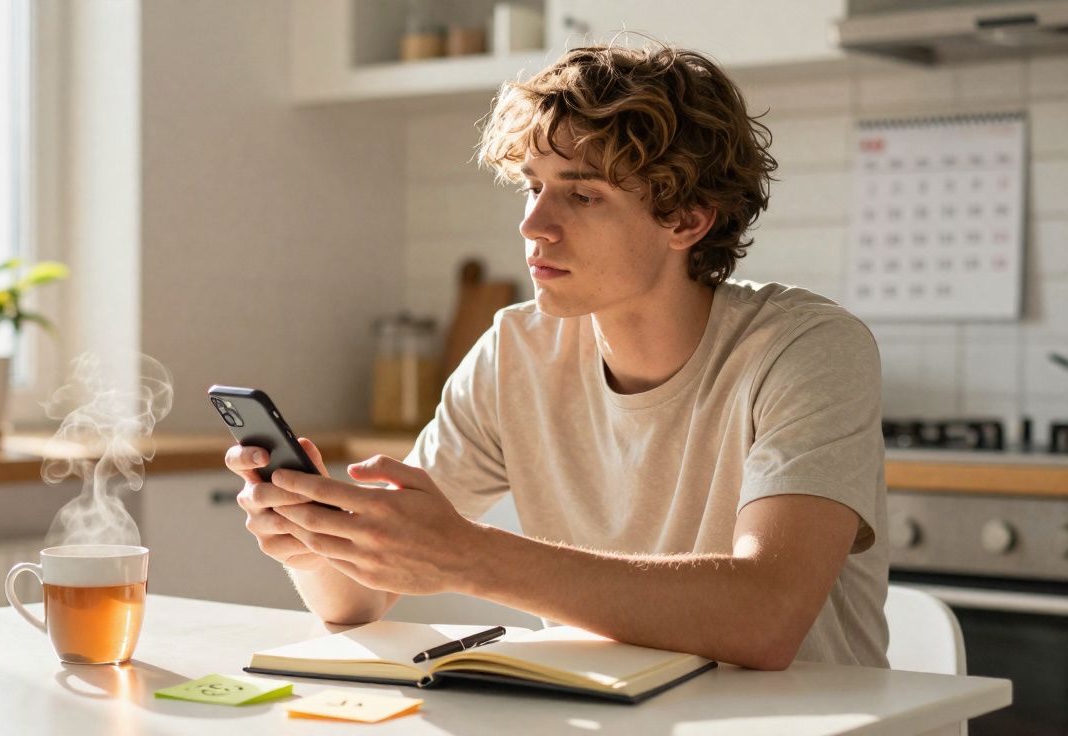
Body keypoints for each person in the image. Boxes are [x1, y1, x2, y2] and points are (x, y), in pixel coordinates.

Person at [224, 42, 888, 670]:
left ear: (687, 220)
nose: (533, 224)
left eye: (582, 193)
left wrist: (469, 558)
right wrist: (311, 540)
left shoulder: (806, 350)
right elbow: (354, 599)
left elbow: (765, 617)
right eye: (531, 186)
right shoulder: (513, 353)